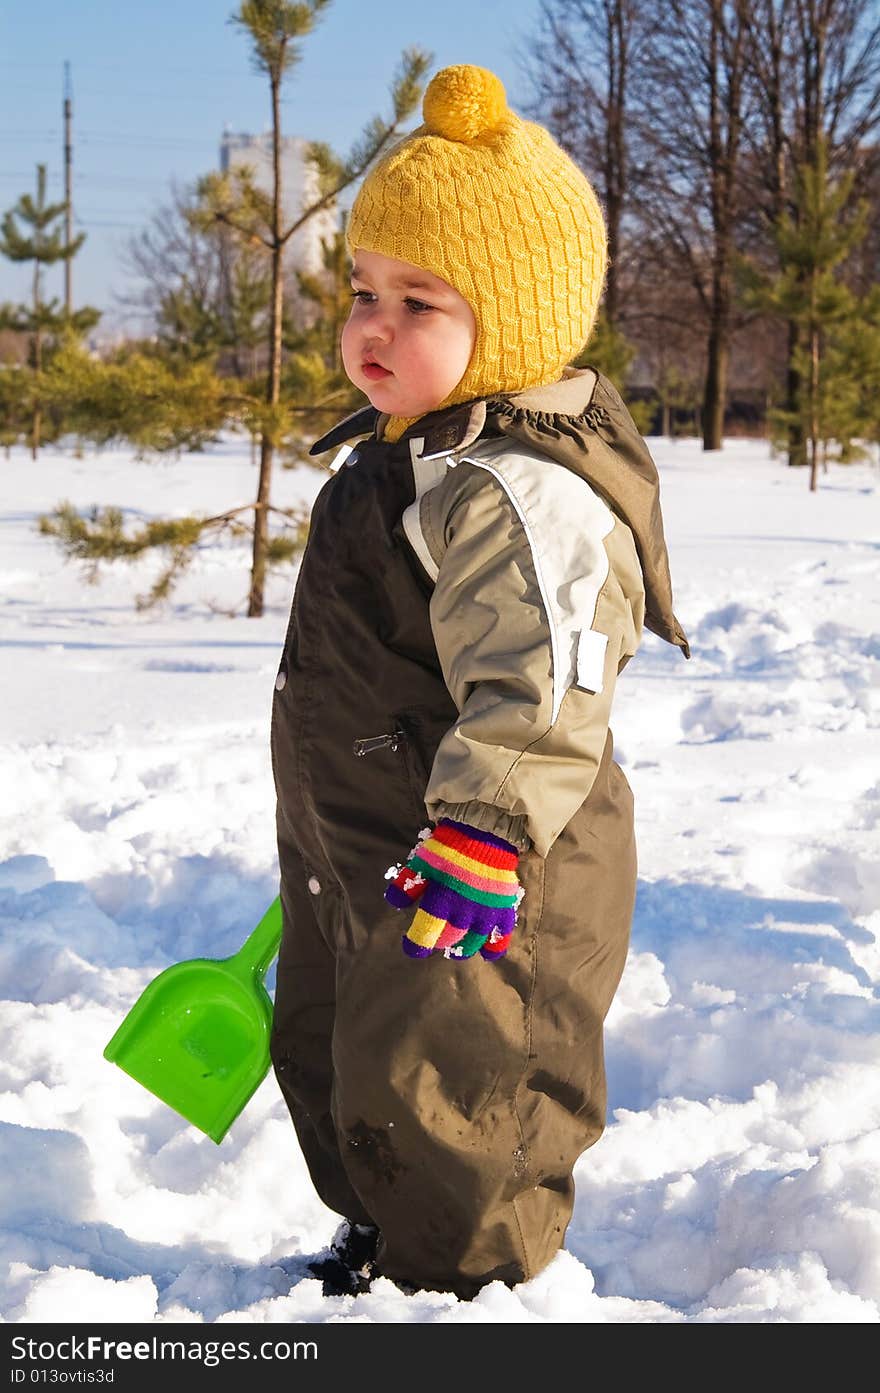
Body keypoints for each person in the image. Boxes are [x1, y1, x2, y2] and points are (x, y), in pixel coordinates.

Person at [269, 63, 689, 1302]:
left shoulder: (515, 487)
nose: (370, 326)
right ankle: (386, 1236)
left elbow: (545, 680)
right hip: (386, 838)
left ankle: (471, 1286)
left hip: (486, 864)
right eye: (361, 291)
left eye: (417, 299)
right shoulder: (420, 459)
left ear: (506, 321)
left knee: (468, 1073)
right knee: (358, 1046)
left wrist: (485, 828)